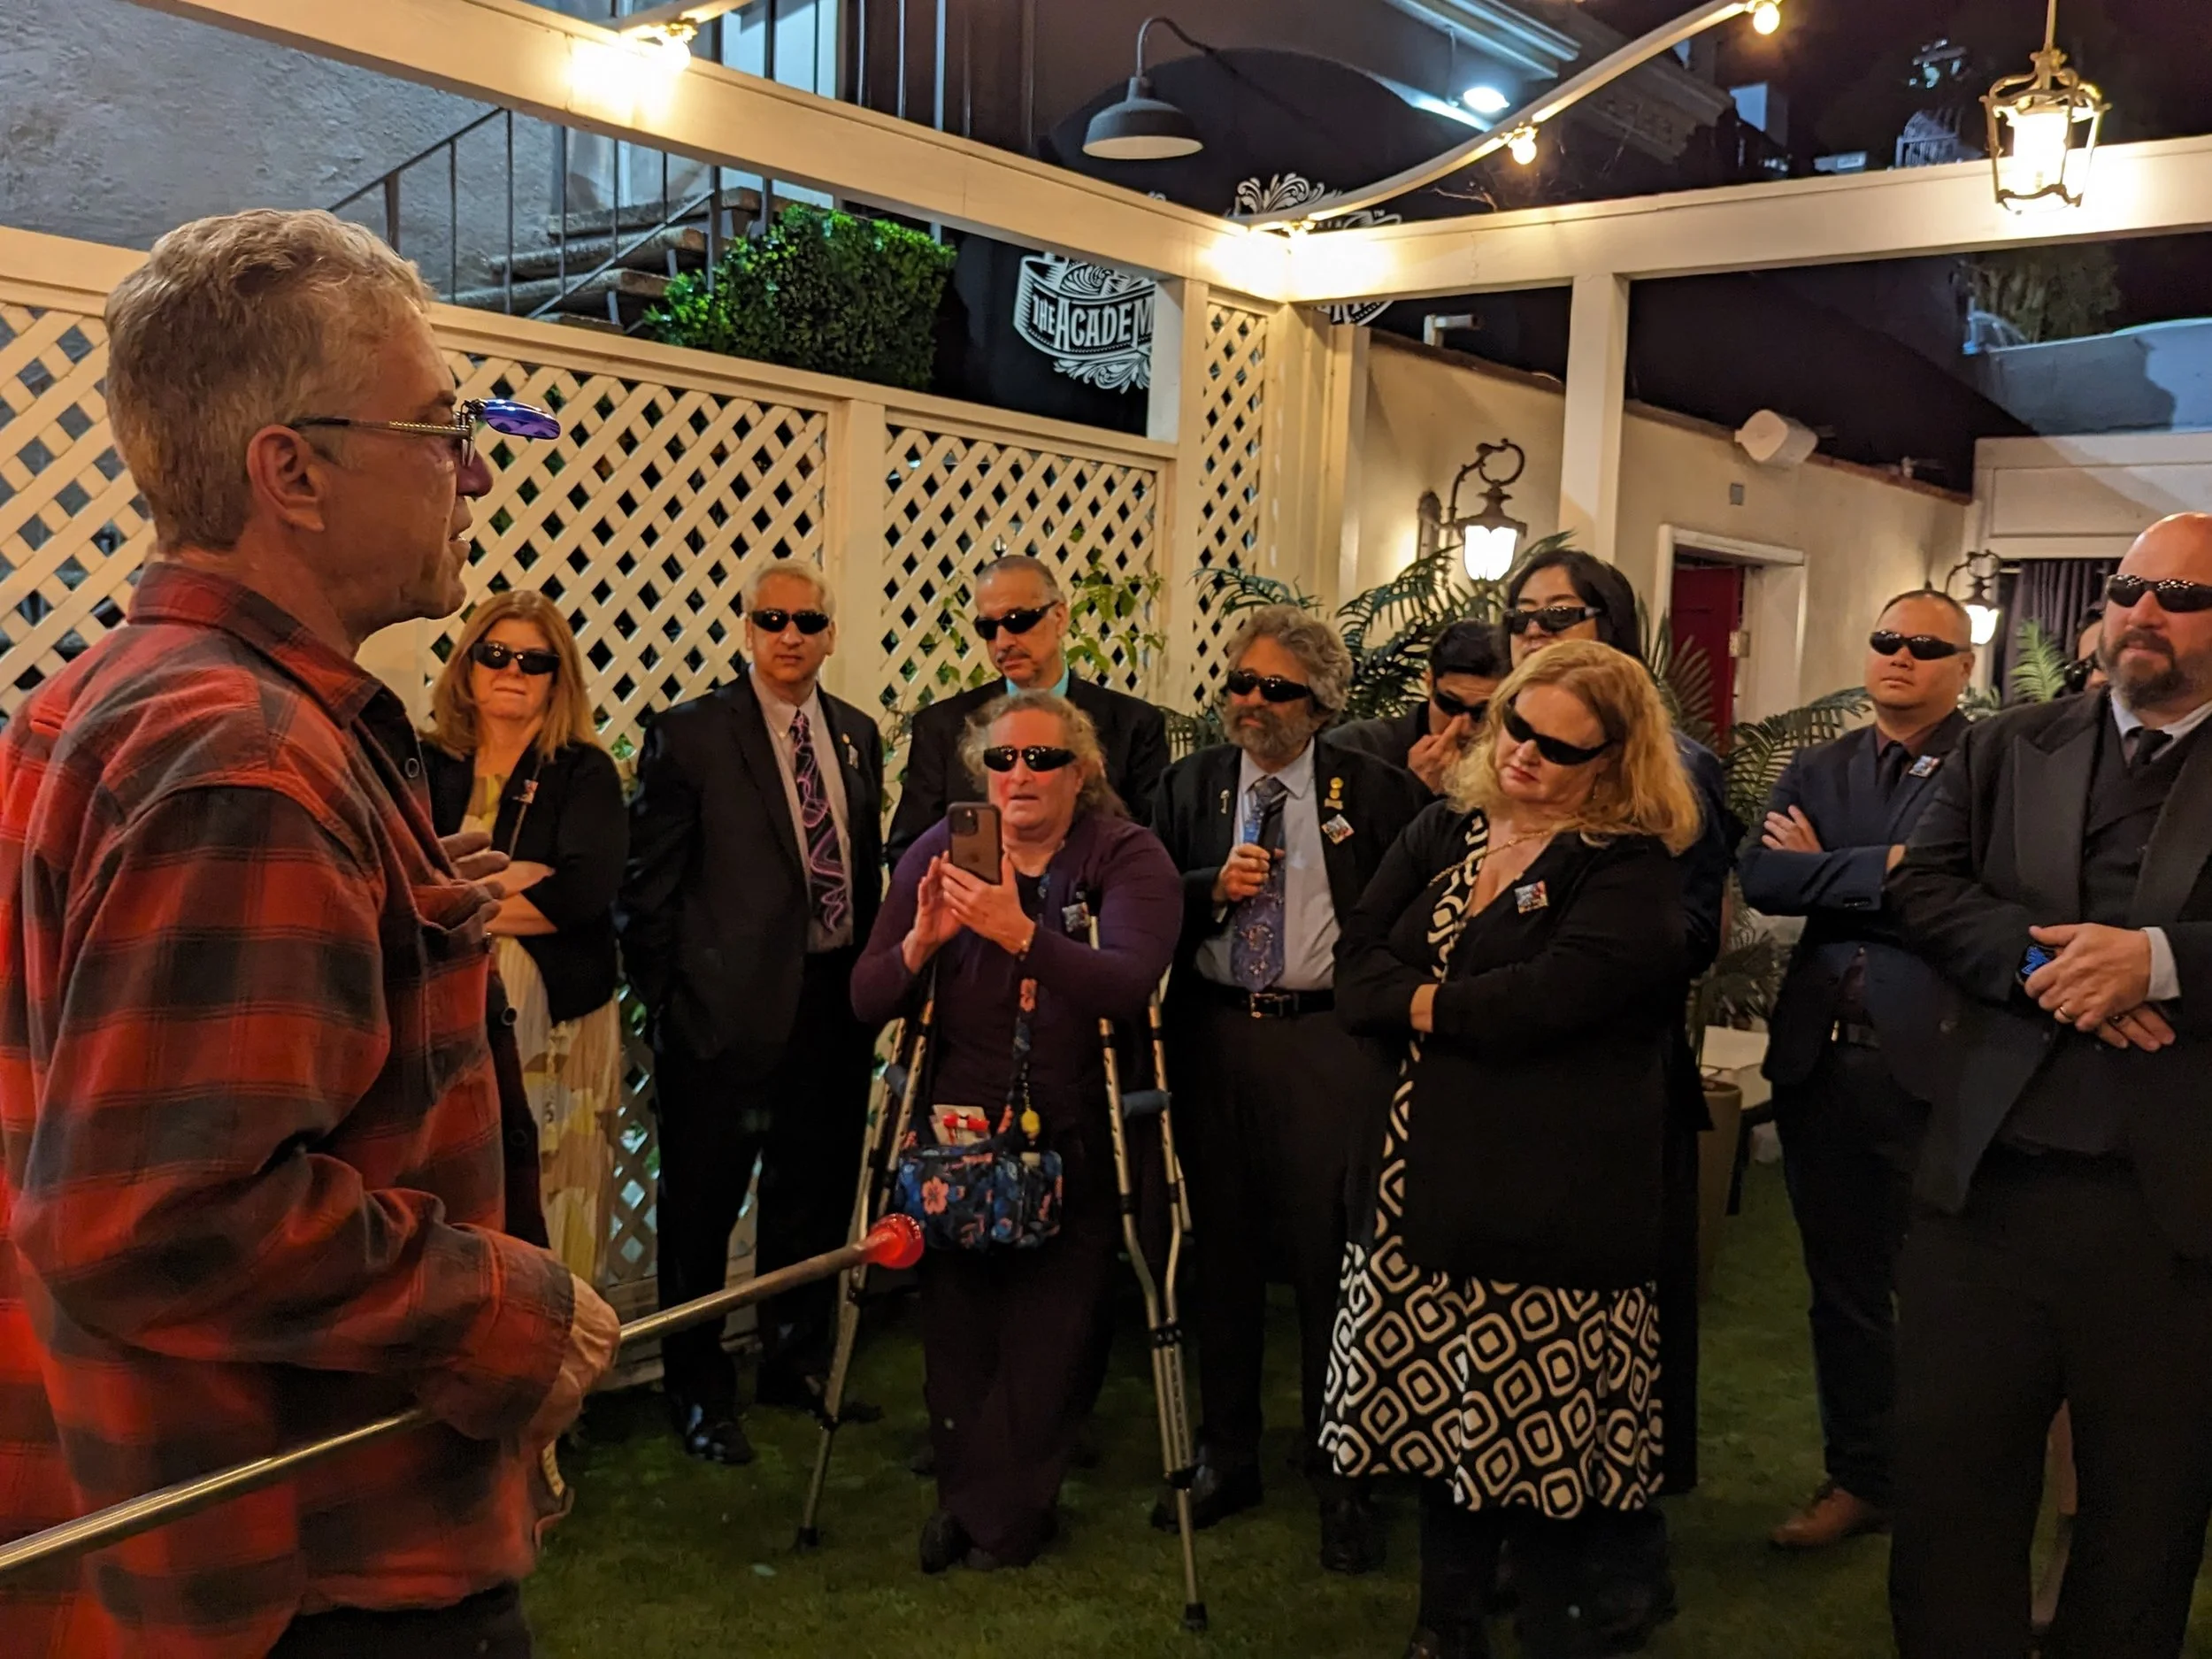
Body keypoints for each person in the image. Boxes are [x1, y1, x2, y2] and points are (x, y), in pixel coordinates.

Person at [0, 208, 618, 1656]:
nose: (474, 464)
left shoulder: (105, 695)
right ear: (294, 471)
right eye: (437, 424)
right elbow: (156, 1214)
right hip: (321, 1575)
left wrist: (405, 925)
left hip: (163, 1528)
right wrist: (513, 1317)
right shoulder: (246, 758)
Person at [1325, 640, 1699, 1659]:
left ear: (1614, 764)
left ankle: (1550, 1634)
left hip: (1546, 1212)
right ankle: (1442, 1634)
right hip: (1412, 1190)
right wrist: (1436, 1008)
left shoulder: (1627, 871)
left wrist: (1420, 1004)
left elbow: (1553, 1002)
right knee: (1445, 1447)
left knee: (1539, 1470)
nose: (1525, 756)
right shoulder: (1444, 826)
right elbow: (1355, 965)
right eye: (1516, 729)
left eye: (1557, 747)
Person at [1888, 511, 2212, 1659]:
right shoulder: (2007, 741)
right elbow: (1921, 888)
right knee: (1947, 1505)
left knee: (2144, 1525)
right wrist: (2052, 965)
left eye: (2181, 596)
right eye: (2129, 587)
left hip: (2172, 1221)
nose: (2146, 612)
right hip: (1987, 1200)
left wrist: (2161, 962)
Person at [852, 691, 1180, 1571]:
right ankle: (965, 1503)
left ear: (1082, 772)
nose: (1020, 777)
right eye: (1002, 761)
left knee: (1048, 1336)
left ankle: (1006, 1513)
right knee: (957, 1333)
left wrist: (1016, 931)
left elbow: (1126, 981)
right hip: (955, 1133)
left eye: (1042, 759)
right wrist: (922, 943)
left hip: (1070, 1127)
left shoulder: (1124, 855)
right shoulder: (943, 851)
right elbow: (866, 995)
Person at [1148, 606, 1428, 1574]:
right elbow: (1145, 902)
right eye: (1238, 683)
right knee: (1219, 1254)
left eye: (1275, 690)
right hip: (1219, 1035)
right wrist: (1206, 890)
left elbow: (1411, 918)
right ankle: (1227, 1455)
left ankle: (1339, 1467)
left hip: (1326, 1048)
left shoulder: (1377, 792)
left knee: (1328, 1265)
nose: (1250, 704)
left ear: (1322, 705)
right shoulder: (1189, 786)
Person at [1499, 547, 1735, 1639]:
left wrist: (1552, 955)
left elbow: (1682, 937)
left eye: (1566, 612)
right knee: (1515, 1330)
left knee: (1615, 1339)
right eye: (1523, 614)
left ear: (1615, 624)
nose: (1540, 629)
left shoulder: (1671, 765)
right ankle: (1527, 1539)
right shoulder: (1492, 759)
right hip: (1500, 1087)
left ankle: (1629, 1559)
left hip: (1615, 1091)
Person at [618, 557, 885, 1466]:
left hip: (831, 1006)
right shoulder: (691, 736)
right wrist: (670, 1008)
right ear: (746, 628)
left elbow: (866, 866)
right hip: (722, 1016)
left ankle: (794, 1359)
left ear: (829, 634)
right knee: (699, 1208)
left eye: (807, 622)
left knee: (810, 1196)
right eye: (772, 620)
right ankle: (696, 1391)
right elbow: (645, 889)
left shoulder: (857, 736)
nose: (789, 637)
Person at [1737, 590, 1975, 1549]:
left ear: (1964, 666)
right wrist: (1888, 865)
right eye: (1885, 639)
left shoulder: (1985, 764)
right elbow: (1762, 880)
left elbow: (1956, 887)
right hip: (1816, 1065)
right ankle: (1861, 1477)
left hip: (1932, 1065)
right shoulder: (1818, 762)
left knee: (1942, 1295)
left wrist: (1832, 865)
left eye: (1925, 646)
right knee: (1839, 1291)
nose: (1900, 657)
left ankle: (1948, 1491)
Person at [426, 590, 628, 1286]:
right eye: (496, 654)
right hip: (447, 1030)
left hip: (563, 1030)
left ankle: (562, 1367)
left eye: (535, 661)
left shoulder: (583, 770)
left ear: (558, 676)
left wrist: (459, 894)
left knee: (558, 1195)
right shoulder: (428, 763)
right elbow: (403, 887)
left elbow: (578, 895)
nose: (513, 671)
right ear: (468, 666)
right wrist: (513, 882)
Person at [886, 553, 1171, 869]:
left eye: (1018, 621)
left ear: (1060, 617)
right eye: (988, 629)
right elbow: (908, 854)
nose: (1003, 641)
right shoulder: (943, 727)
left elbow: (1150, 853)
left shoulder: (1133, 725)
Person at [1331, 618, 1510, 793]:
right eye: (1450, 705)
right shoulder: (1357, 747)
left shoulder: (1512, 765)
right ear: (1429, 682)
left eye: (1481, 712)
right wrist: (1412, 789)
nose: (1462, 727)